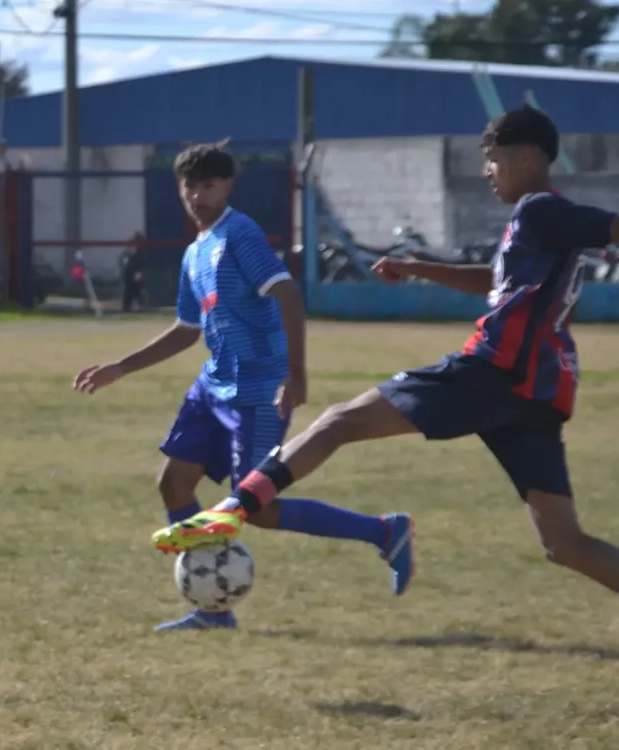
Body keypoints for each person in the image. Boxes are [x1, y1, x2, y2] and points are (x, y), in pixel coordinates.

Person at [150, 107, 619, 694]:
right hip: (533, 394)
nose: (488, 172)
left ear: (525, 157)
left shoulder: (543, 208)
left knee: (336, 421)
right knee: (565, 543)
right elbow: (493, 282)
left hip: (492, 372)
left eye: (492, 161)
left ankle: (234, 507)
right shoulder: (530, 224)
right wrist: (418, 268)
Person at [73, 141, 413, 631]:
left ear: (227, 186)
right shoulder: (195, 252)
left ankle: (384, 531)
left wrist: (295, 375)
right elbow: (188, 330)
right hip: (214, 385)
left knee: (259, 508)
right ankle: (214, 610)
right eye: (190, 186)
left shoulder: (240, 236)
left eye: (208, 185)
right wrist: (120, 367)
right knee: (174, 482)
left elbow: (288, 294)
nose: (198, 195)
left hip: (259, 390)